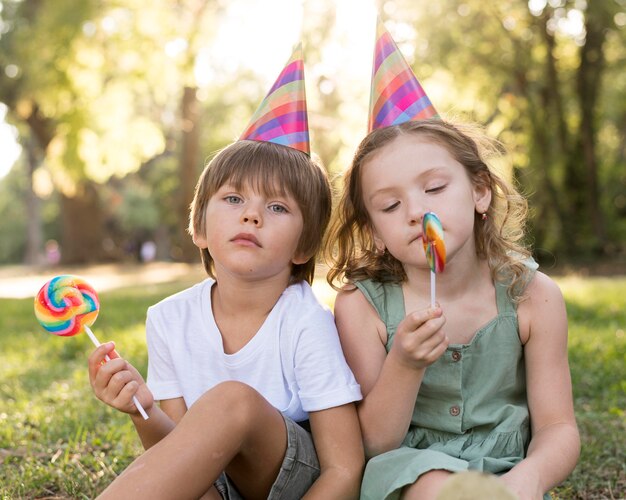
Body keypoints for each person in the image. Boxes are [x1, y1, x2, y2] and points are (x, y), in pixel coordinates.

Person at [88, 45, 364, 499]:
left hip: (294, 482)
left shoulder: (305, 323)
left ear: (306, 246)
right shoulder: (169, 319)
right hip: (215, 485)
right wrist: (139, 408)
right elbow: (178, 456)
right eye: (234, 199)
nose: (251, 215)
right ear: (199, 227)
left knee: (230, 399)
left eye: (276, 206)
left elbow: (345, 469)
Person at [325, 118, 580, 499]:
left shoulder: (533, 297)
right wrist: (405, 365)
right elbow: (374, 443)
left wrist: (531, 477)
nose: (415, 211)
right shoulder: (361, 306)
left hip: (508, 475)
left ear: (479, 191)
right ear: (374, 232)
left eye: (434, 188)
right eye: (390, 205)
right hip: (410, 473)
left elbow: (558, 427)